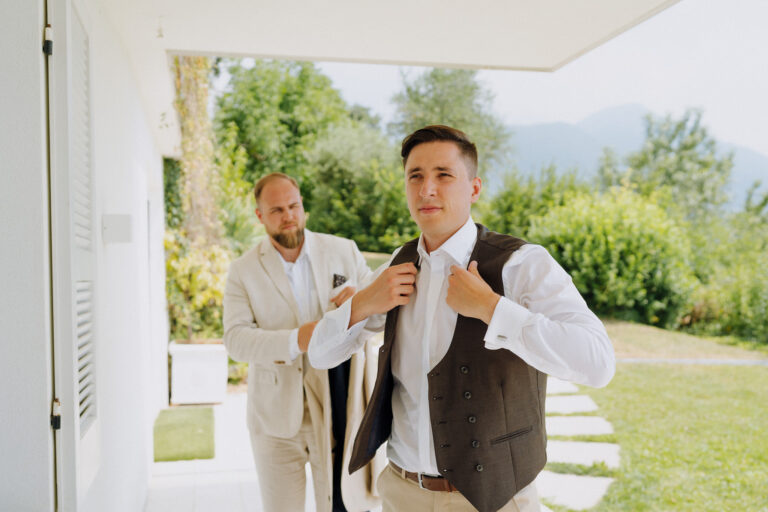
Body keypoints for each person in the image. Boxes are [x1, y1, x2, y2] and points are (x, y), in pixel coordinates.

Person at [307, 126, 616, 512]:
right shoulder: (396, 266)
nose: (426, 189)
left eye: (443, 175)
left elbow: (599, 363)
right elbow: (319, 355)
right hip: (402, 494)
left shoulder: (522, 264)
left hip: (492, 499)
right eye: (415, 176)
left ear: (474, 188)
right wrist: (363, 303)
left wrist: (491, 308)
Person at [223, 172, 385, 512]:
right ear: (260, 216)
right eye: (277, 209)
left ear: (303, 206)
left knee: (343, 506)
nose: (288, 216)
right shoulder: (243, 270)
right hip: (274, 420)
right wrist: (297, 339)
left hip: (337, 407)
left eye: (294, 206)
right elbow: (236, 341)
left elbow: (380, 315)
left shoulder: (343, 250)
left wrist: (359, 303)